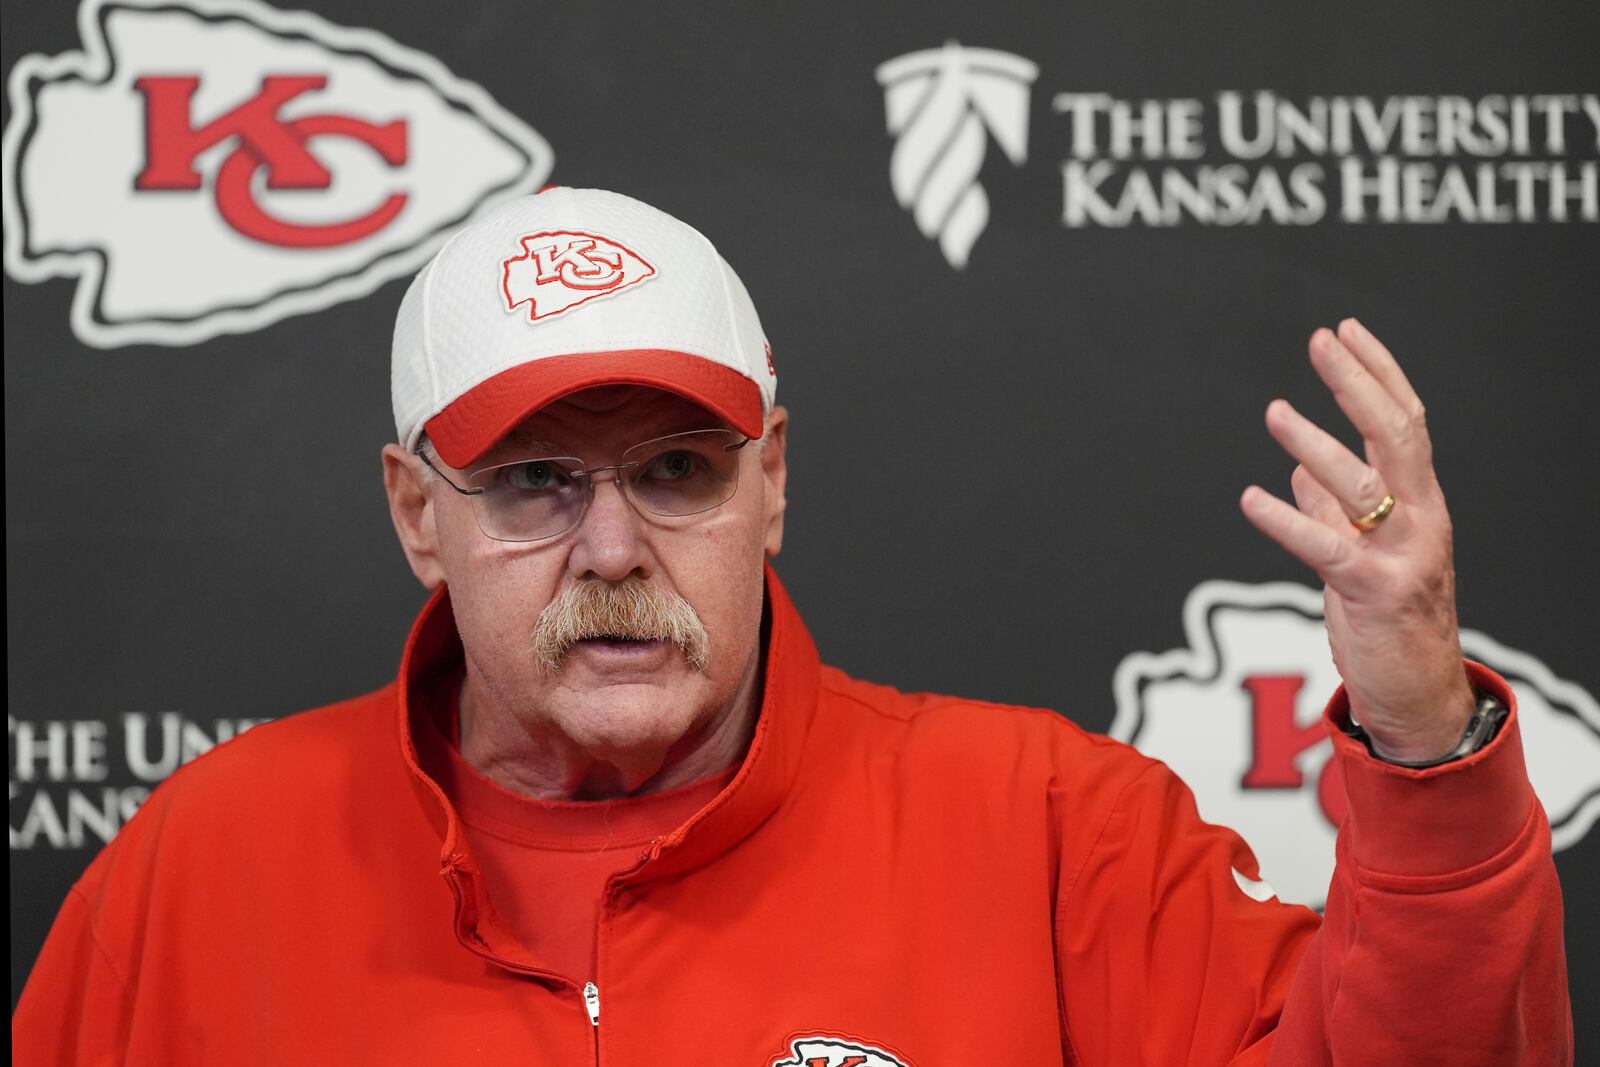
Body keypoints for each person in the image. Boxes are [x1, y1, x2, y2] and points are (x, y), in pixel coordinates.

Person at [13, 187, 1571, 1065]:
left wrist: (1427, 740)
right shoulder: (200, 869)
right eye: (537, 482)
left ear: (774, 486)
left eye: (678, 470)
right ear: (419, 514)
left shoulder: (1053, 834)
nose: (612, 547)